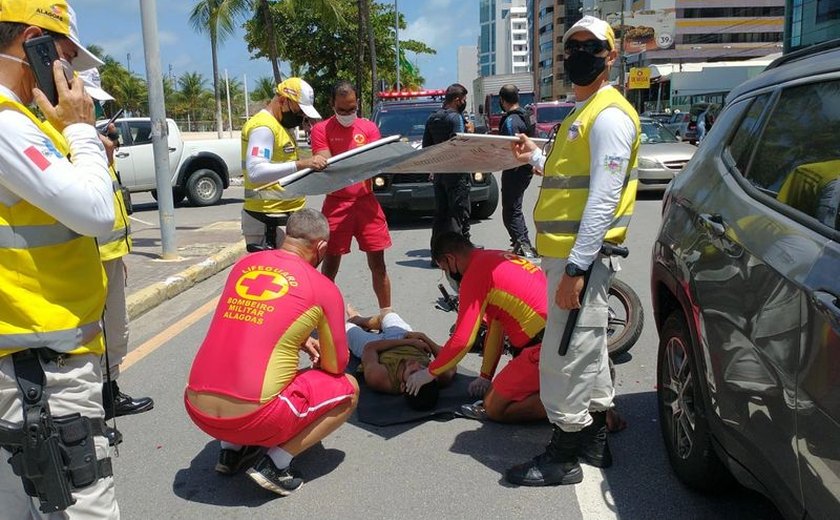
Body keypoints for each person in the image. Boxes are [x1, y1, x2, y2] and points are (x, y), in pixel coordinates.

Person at [505, 15, 641, 486]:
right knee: (590, 349)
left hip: (579, 259)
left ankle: (563, 454)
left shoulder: (608, 115)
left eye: (591, 47)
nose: (580, 55)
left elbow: (603, 199)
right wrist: (535, 157)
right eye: (573, 47)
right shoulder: (581, 114)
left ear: (611, 55)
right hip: (569, 256)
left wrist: (577, 269)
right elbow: (574, 179)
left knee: (565, 354)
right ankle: (596, 440)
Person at [0, 1, 120, 516]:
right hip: (43, 374)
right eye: (65, 58)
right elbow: (97, 213)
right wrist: (80, 129)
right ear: (34, 43)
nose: (70, 77)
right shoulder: (8, 125)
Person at [185, 209, 359, 496]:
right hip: (254, 417)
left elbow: (252, 322)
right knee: (348, 388)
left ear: (286, 236)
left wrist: (300, 340)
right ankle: (275, 464)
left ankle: (232, 451)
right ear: (322, 248)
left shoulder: (245, 265)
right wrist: (312, 350)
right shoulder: (322, 287)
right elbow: (335, 365)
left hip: (198, 408)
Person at [405, 232, 548, 424]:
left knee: (494, 407)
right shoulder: (495, 257)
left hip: (543, 349)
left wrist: (430, 372)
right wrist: (485, 375)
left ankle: (572, 403)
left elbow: (462, 340)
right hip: (558, 337)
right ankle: (564, 392)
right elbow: (496, 327)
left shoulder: (475, 275)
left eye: (444, 268)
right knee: (499, 392)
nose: (448, 274)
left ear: (450, 259)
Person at [79, 68, 155, 427]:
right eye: (92, 102)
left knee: (115, 329)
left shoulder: (92, 149)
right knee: (96, 336)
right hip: (88, 261)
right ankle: (94, 408)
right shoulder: (73, 147)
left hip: (108, 256)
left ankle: (110, 395)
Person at [310, 81, 392, 311]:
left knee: (379, 265)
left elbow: (375, 161)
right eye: (342, 110)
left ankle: (387, 313)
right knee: (330, 265)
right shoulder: (321, 129)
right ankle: (323, 314)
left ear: (358, 104)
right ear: (332, 105)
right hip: (336, 204)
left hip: (366, 203)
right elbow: (326, 162)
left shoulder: (368, 128)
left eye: (352, 109)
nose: (347, 114)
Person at [241, 77, 327, 248]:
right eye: (298, 111)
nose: (301, 116)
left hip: (287, 215)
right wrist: (302, 164)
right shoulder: (264, 127)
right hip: (267, 218)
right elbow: (255, 172)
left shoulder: (282, 126)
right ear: (282, 101)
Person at [345, 305, 455, 397]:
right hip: (406, 337)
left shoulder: (380, 378)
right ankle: (362, 321)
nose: (416, 364)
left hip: (377, 346)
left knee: (345, 327)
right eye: (422, 369)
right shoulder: (436, 377)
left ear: (403, 386)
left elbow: (370, 348)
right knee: (387, 313)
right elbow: (449, 358)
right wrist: (424, 337)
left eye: (412, 372)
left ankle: (356, 320)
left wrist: (410, 343)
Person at [423, 83, 473, 262]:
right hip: (456, 173)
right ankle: (458, 257)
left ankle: (436, 255)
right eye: (464, 99)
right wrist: (470, 134)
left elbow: (426, 147)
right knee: (458, 215)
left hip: (439, 173)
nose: (465, 102)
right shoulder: (456, 118)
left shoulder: (432, 118)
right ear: (457, 99)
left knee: (441, 215)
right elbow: (459, 145)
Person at [497, 84, 537, 259]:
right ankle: (521, 242)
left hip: (515, 167)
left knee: (511, 210)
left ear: (502, 100)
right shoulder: (527, 116)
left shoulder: (511, 121)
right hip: (526, 167)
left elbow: (511, 147)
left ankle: (523, 245)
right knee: (515, 207)